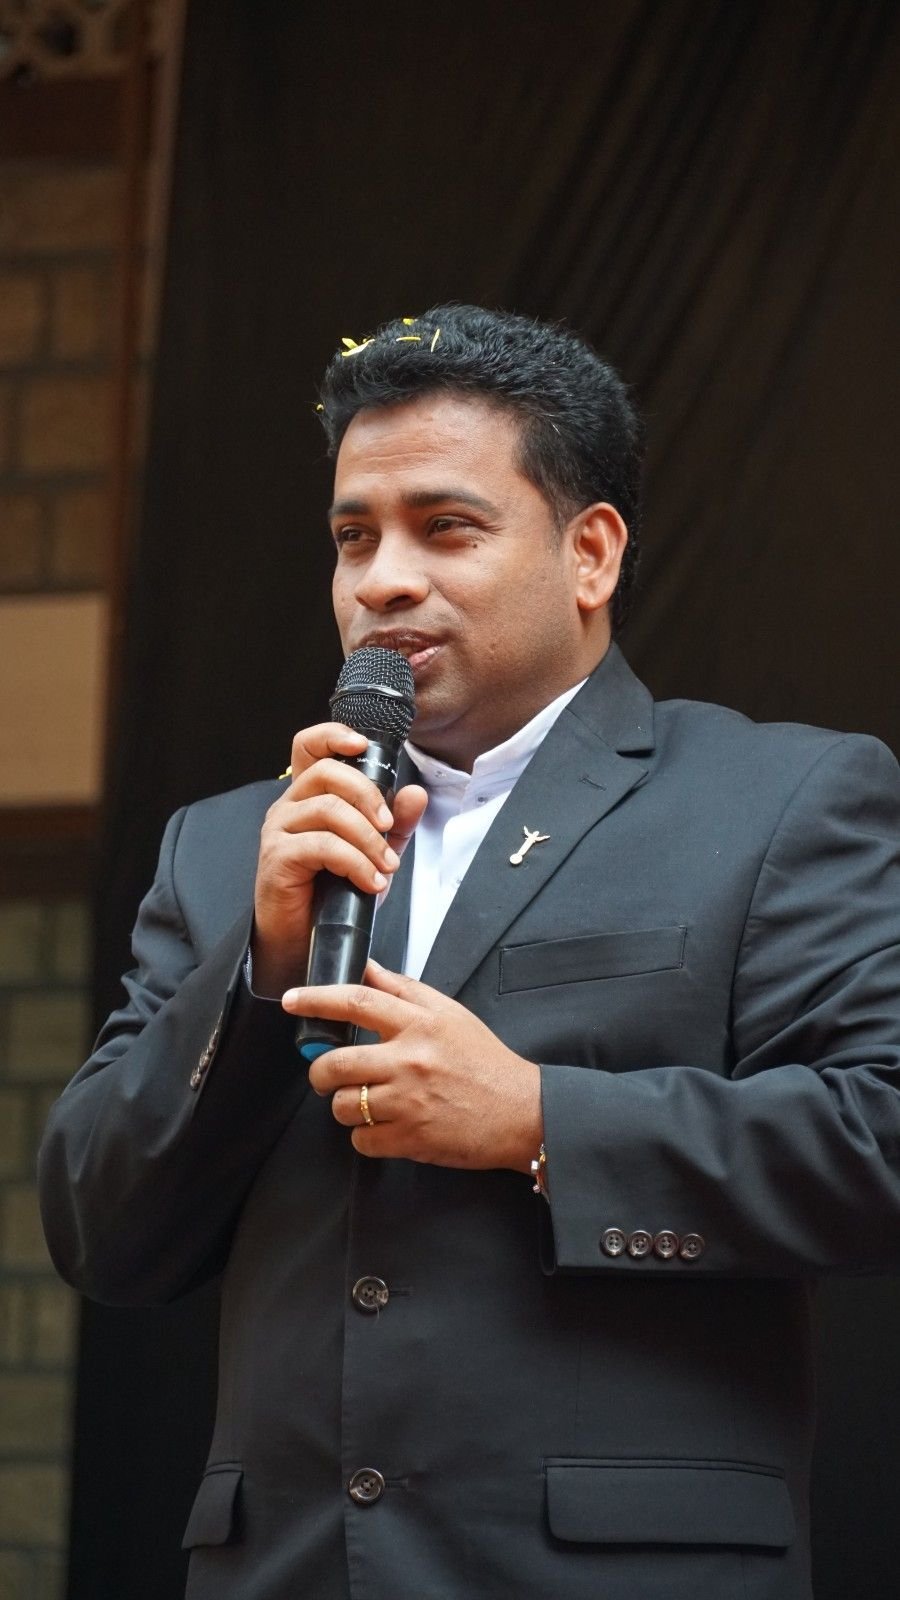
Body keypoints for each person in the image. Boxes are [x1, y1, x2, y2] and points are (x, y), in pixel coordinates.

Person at [39, 305, 900, 1600]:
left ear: (590, 552)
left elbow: (880, 1138)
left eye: (446, 527)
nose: (382, 580)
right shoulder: (230, 850)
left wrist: (539, 1119)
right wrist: (262, 969)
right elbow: (100, 1231)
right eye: (354, 537)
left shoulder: (777, 799)